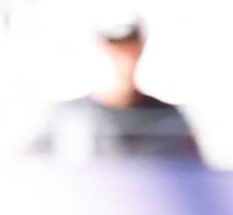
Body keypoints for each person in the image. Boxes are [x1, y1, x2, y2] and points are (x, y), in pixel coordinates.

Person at [42, 17, 200, 161]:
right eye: (115, 53)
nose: (124, 63)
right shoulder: (69, 116)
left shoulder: (168, 118)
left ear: (140, 50)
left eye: (131, 52)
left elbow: (193, 174)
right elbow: (32, 170)